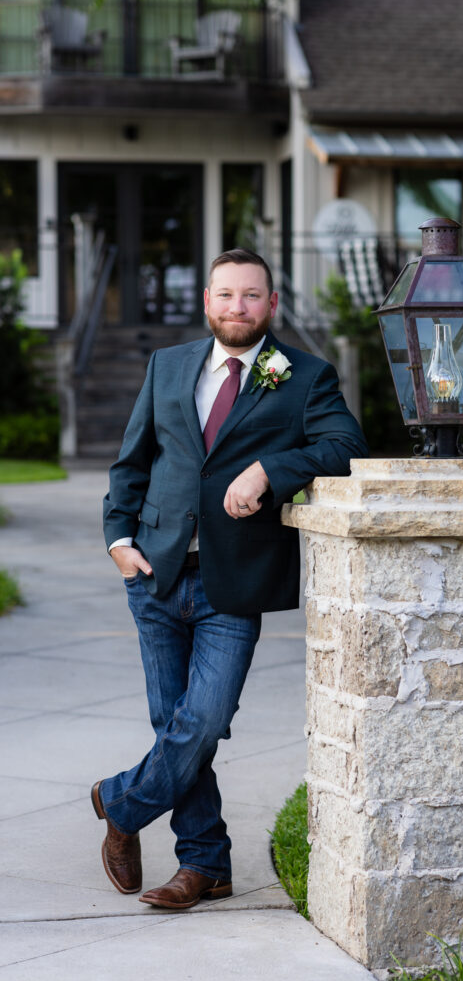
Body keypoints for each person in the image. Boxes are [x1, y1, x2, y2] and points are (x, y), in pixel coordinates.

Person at [93, 248, 368, 910]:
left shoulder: (301, 375)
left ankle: (122, 803)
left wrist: (271, 470)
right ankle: (206, 866)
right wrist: (119, 542)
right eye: (225, 295)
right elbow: (133, 461)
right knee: (174, 725)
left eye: (250, 296)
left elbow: (344, 447)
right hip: (154, 573)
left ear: (270, 305)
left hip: (233, 580)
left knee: (204, 722)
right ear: (207, 300)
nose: (236, 307)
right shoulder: (169, 365)